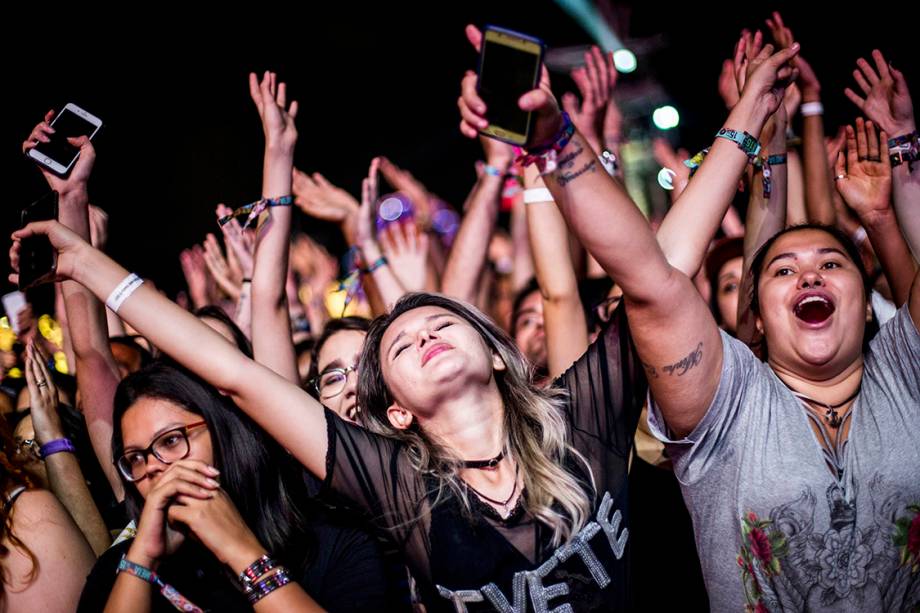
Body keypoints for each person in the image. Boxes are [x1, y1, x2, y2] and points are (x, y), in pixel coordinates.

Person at [458, 21, 920, 611]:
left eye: (832, 263)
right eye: (781, 270)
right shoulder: (727, 404)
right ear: (754, 311)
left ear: (866, 292)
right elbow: (651, 279)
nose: (809, 275)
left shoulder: (904, 370)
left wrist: (896, 170)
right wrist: (555, 142)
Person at [77, 361, 388, 612]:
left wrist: (240, 551)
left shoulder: (332, 541)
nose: (154, 467)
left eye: (171, 441)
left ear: (224, 434)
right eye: (135, 459)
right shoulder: (119, 571)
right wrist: (142, 560)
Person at [0, 410, 95, 611]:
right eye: (19, 445)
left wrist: (54, 441)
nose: (22, 456)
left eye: (36, 447)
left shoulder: (30, 516)